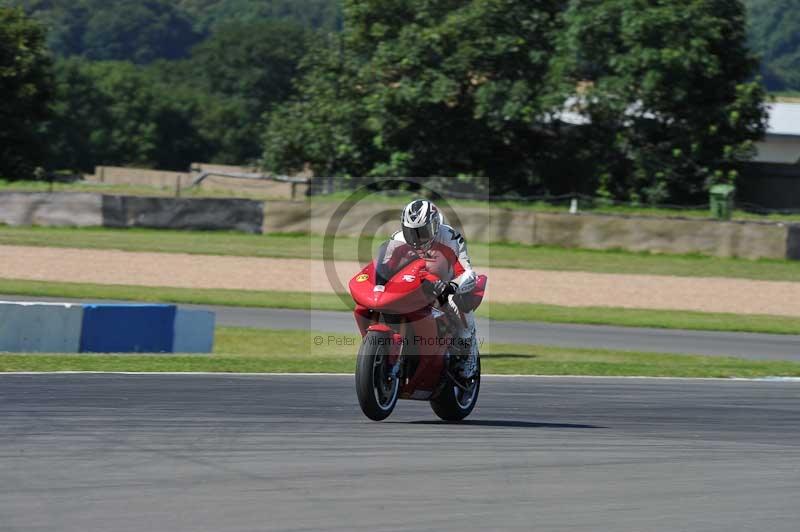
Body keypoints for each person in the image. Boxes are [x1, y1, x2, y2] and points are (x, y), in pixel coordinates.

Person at [392, 199, 478, 379]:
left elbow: (468, 272)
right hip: (414, 285)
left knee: (460, 300)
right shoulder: (397, 239)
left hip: (444, 288)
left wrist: (452, 286)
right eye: (411, 231)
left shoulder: (452, 238)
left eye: (422, 231)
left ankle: (468, 349)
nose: (416, 238)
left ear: (435, 226)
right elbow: (384, 266)